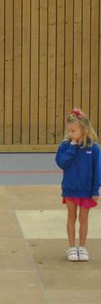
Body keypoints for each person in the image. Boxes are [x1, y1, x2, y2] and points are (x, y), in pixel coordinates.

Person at [55, 108, 100, 262]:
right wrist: (71, 148)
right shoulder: (65, 146)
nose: (70, 133)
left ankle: (82, 247)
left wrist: (95, 190)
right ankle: (72, 247)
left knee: (84, 218)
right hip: (71, 189)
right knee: (71, 216)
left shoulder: (94, 148)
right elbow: (62, 163)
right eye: (69, 131)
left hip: (87, 190)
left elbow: (97, 170)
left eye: (73, 131)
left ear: (84, 129)